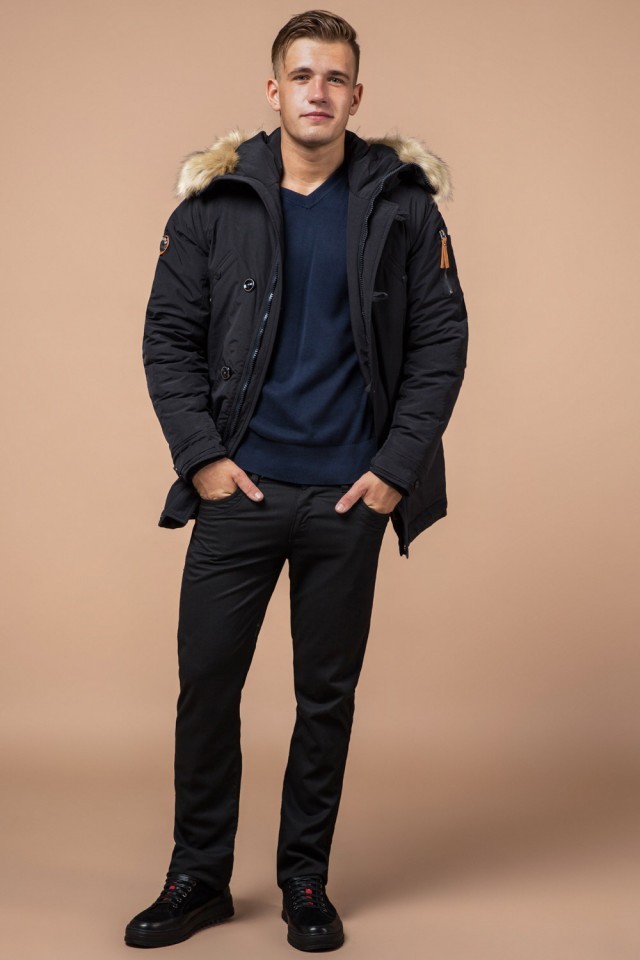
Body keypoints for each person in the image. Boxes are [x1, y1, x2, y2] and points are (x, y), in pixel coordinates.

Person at [125, 8, 468, 952]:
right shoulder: (214, 205)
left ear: (357, 95)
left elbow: (441, 344)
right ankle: (198, 877)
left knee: (326, 699)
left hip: (348, 499)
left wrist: (394, 471)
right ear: (273, 90)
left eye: (336, 78)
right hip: (239, 493)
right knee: (207, 687)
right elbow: (167, 341)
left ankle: (305, 880)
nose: (319, 92)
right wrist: (202, 458)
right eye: (303, 75)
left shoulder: (403, 205)